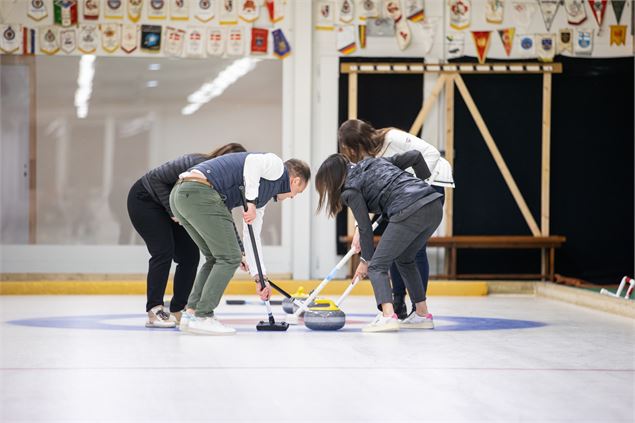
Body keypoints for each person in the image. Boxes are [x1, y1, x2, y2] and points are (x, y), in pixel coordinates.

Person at [170, 152, 311, 335]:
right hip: (200, 192)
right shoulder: (277, 166)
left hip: (182, 195)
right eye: (297, 193)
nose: (293, 197)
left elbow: (251, 236)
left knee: (215, 257)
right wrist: (250, 202)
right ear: (296, 181)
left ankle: (191, 314)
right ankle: (203, 316)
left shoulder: (261, 198)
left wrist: (259, 276)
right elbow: (252, 162)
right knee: (229, 257)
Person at [338, 119, 455, 323]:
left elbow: (431, 154)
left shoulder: (390, 137)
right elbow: (368, 193)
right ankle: (399, 302)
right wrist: (358, 228)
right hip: (401, 194)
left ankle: (416, 308)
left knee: (414, 250)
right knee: (394, 245)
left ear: (355, 143)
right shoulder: (369, 155)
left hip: (429, 181)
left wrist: (416, 187)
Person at [315, 151, 443, 332]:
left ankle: (388, 316)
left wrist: (365, 261)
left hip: (408, 210)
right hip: (434, 205)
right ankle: (422, 315)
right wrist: (423, 184)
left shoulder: (349, 189)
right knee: (405, 259)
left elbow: (365, 228)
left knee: (377, 266)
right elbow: (415, 155)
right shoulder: (376, 162)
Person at [127, 143, 247, 328]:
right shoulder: (195, 163)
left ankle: (178, 309)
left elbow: (224, 215)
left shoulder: (222, 180)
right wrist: (172, 211)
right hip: (145, 199)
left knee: (189, 256)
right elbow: (155, 179)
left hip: (175, 208)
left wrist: (240, 250)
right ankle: (154, 310)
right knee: (163, 251)